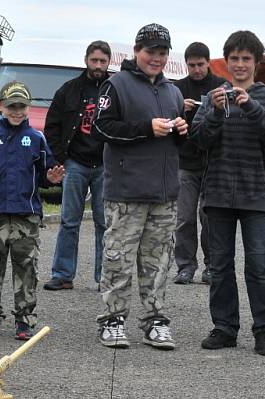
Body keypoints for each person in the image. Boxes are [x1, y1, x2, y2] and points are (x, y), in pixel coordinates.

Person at [191, 30, 265, 356]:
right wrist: (217, 111)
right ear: (227, 62)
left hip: (256, 195)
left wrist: (252, 107)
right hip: (217, 193)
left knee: (259, 265)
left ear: (257, 63)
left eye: (247, 59)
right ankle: (224, 328)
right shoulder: (212, 98)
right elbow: (199, 140)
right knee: (219, 266)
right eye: (235, 59)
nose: (240, 64)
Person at [92, 24, 187, 350]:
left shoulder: (173, 91)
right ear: (136, 51)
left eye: (162, 53)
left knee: (159, 262)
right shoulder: (115, 85)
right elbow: (102, 128)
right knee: (118, 260)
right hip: (126, 194)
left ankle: (155, 322)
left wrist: (182, 131)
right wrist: (146, 128)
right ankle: (112, 321)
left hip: (164, 195)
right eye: (151, 52)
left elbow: (178, 145)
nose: (157, 58)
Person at [0, 82, 64, 341]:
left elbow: (46, 174)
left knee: (26, 267)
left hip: (26, 214)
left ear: (28, 107)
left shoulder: (36, 138)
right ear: (1, 106)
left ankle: (24, 319)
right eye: (12, 106)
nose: (17, 111)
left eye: (21, 106)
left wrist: (53, 179)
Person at [43, 40, 111, 292]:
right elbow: (52, 126)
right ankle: (62, 274)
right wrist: (62, 157)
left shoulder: (115, 89)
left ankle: (105, 276)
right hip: (76, 163)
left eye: (103, 61)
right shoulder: (68, 90)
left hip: (105, 164)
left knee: (105, 223)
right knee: (69, 220)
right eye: (94, 60)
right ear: (86, 59)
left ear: (108, 62)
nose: (98, 65)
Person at [172, 42, 226, 285]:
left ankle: (211, 266)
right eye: (192, 65)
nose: (196, 69)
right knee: (184, 218)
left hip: (213, 163)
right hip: (185, 162)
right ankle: (185, 266)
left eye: (200, 65)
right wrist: (179, 109)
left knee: (209, 217)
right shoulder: (177, 89)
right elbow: (168, 122)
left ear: (208, 62)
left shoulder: (220, 87)